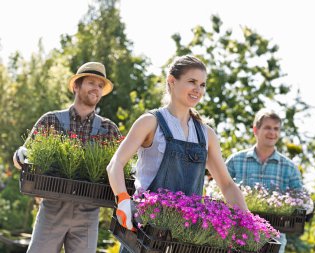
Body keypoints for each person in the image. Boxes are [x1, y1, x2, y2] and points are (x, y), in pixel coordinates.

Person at [106, 55, 248, 252]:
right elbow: (115, 164)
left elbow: (227, 185)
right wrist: (122, 200)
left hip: (184, 239)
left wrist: (249, 223)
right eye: (192, 82)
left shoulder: (206, 135)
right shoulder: (150, 122)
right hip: (145, 235)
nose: (198, 89)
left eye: (202, 84)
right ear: (172, 81)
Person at [13, 62, 121, 253]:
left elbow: (119, 168)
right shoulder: (51, 120)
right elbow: (22, 160)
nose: (96, 88)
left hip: (88, 214)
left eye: (100, 86)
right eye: (91, 83)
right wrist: (20, 154)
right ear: (76, 86)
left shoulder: (109, 129)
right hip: (52, 210)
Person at [226, 108, 303, 253]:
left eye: (276, 129)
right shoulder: (235, 161)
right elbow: (219, 191)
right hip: (237, 233)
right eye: (267, 127)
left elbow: (300, 198)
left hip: (274, 239)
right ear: (255, 130)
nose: (272, 133)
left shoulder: (289, 167)